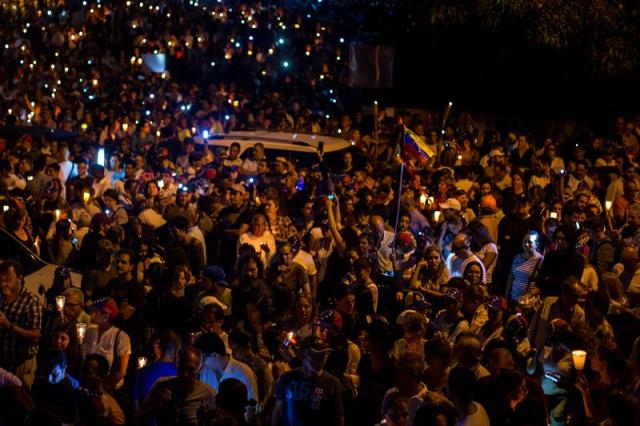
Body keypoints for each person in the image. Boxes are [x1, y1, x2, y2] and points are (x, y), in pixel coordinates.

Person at [272, 335, 345, 426]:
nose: (322, 359)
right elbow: (278, 410)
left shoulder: (332, 383)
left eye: (325, 354)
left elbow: (338, 418)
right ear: (302, 355)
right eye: (315, 354)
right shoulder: (287, 378)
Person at [140, 346, 216, 426]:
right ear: (176, 365)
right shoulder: (162, 386)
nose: (185, 374)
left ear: (199, 369)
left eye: (191, 370)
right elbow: (138, 419)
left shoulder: (208, 394)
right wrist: (155, 405)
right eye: (181, 368)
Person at [0, 259, 42, 388]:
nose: (3, 284)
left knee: (20, 400)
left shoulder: (31, 301)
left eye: (8, 281)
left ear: (20, 278)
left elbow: (35, 336)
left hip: (22, 364)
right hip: (3, 362)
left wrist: (9, 325)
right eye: (1, 280)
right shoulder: (0, 297)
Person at [195, 332, 259, 406]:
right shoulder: (205, 371)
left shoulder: (243, 373)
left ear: (214, 355)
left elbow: (252, 406)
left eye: (203, 358)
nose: (201, 363)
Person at [83, 298, 131, 392]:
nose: (90, 314)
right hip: (88, 384)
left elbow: (121, 371)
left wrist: (105, 387)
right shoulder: (89, 331)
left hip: (109, 389)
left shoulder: (121, 337)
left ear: (106, 316)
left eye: (95, 312)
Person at [133, 330, 181, 410]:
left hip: (146, 421)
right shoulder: (180, 373)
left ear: (159, 347)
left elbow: (136, 407)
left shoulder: (140, 373)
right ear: (176, 350)